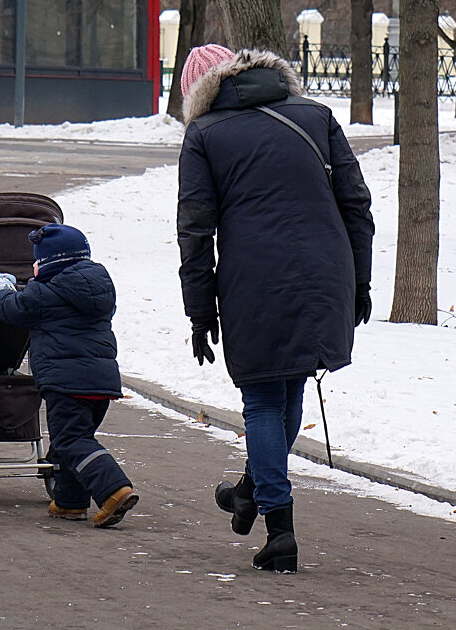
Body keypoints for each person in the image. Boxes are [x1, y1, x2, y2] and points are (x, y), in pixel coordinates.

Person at [176, 44, 374, 572]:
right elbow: (355, 202)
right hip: (325, 272)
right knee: (287, 388)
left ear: (199, 92)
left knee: (263, 399)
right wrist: (360, 281)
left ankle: (279, 528)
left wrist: (200, 311)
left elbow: (196, 231)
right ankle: (250, 488)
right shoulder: (316, 116)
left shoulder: (204, 137)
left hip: (253, 281)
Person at [0, 223, 139, 528]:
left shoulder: (44, 293)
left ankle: (113, 489)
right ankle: (70, 502)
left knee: (70, 440)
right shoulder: (99, 285)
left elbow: (11, 309)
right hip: (101, 381)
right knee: (70, 440)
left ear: (48, 263)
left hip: (65, 382)